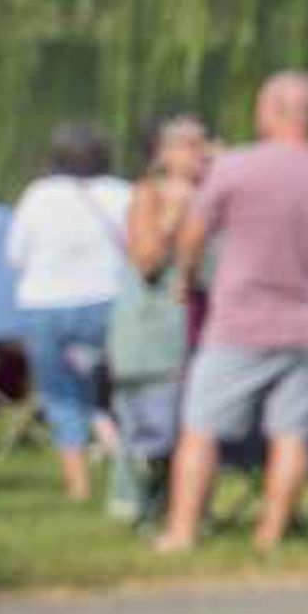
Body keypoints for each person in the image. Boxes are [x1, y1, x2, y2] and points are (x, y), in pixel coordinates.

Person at [159, 72, 308, 557]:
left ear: (272, 109)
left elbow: (194, 234)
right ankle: (270, 533)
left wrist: (187, 278)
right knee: (291, 431)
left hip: (239, 320)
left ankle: (183, 530)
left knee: (201, 426)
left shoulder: (235, 170)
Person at [5, 120, 133, 503]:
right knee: (118, 391)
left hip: (45, 304)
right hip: (108, 301)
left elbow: (14, 255)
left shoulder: (38, 196)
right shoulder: (123, 193)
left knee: (61, 394)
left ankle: (78, 486)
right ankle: (126, 472)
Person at [107, 113, 208, 523]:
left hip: (193, 324)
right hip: (153, 328)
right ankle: (138, 504)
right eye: (190, 145)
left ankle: (182, 504)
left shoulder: (212, 195)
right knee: (152, 421)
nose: (201, 153)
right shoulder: (148, 195)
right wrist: (175, 216)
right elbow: (146, 259)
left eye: (204, 142)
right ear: (164, 153)